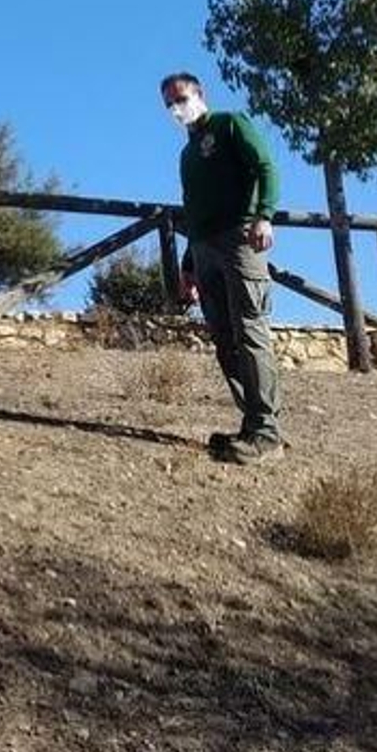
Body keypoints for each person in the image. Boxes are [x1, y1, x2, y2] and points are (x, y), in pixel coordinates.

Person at [161, 72, 284, 464]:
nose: (176, 108)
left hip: (239, 240)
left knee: (250, 332)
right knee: (225, 341)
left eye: (180, 98)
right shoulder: (186, 154)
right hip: (204, 249)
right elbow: (193, 209)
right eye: (169, 104)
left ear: (199, 94)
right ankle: (250, 426)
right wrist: (189, 264)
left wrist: (264, 216)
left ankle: (267, 435)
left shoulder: (230, 123)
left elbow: (266, 167)